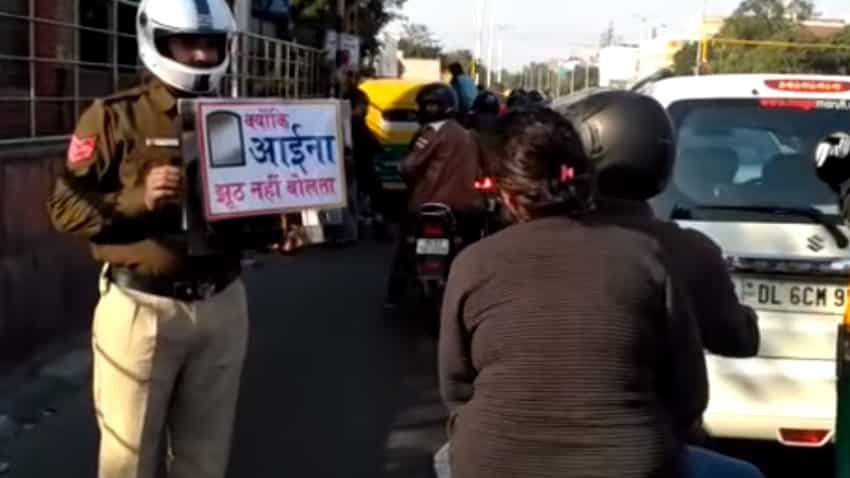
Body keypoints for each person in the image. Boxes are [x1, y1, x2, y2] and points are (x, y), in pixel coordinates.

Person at [45, 0, 302, 477]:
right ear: (157, 41)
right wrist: (137, 199)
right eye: (189, 43)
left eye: (211, 44)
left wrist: (281, 234)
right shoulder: (114, 117)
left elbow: (251, 203)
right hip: (143, 309)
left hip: (224, 303)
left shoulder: (243, 117)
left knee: (205, 458)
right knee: (128, 460)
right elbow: (63, 208)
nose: (203, 56)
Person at [437, 106, 761, 478]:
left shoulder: (473, 262)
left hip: (489, 461)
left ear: (508, 195)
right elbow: (689, 395)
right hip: (631, 462)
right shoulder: (647, 255)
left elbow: (456, 389)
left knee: (445, 458)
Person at [553, 89, 764, 477]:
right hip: (648, 448)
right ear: (662, 161)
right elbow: (738, 340)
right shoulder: (686, 249)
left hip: (521, 443)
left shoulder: (530, 242)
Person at [384, 82, 484, 307]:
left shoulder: (430, 133)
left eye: (428, 106)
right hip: (463, 207)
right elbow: (484, 169)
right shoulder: (469, 135)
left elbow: (408, 166)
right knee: (469, 245)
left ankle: (395, 296)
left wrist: (402, 171)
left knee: (405, 246)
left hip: (426, 203)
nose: (426, 110)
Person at [348, 87, 389, 239]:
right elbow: (373, 145)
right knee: (375, 196)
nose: (367, 109)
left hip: (356, 169)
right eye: (364, 105)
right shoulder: (357, 124)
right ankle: (377, 226)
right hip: (362, 168)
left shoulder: (349, 123)